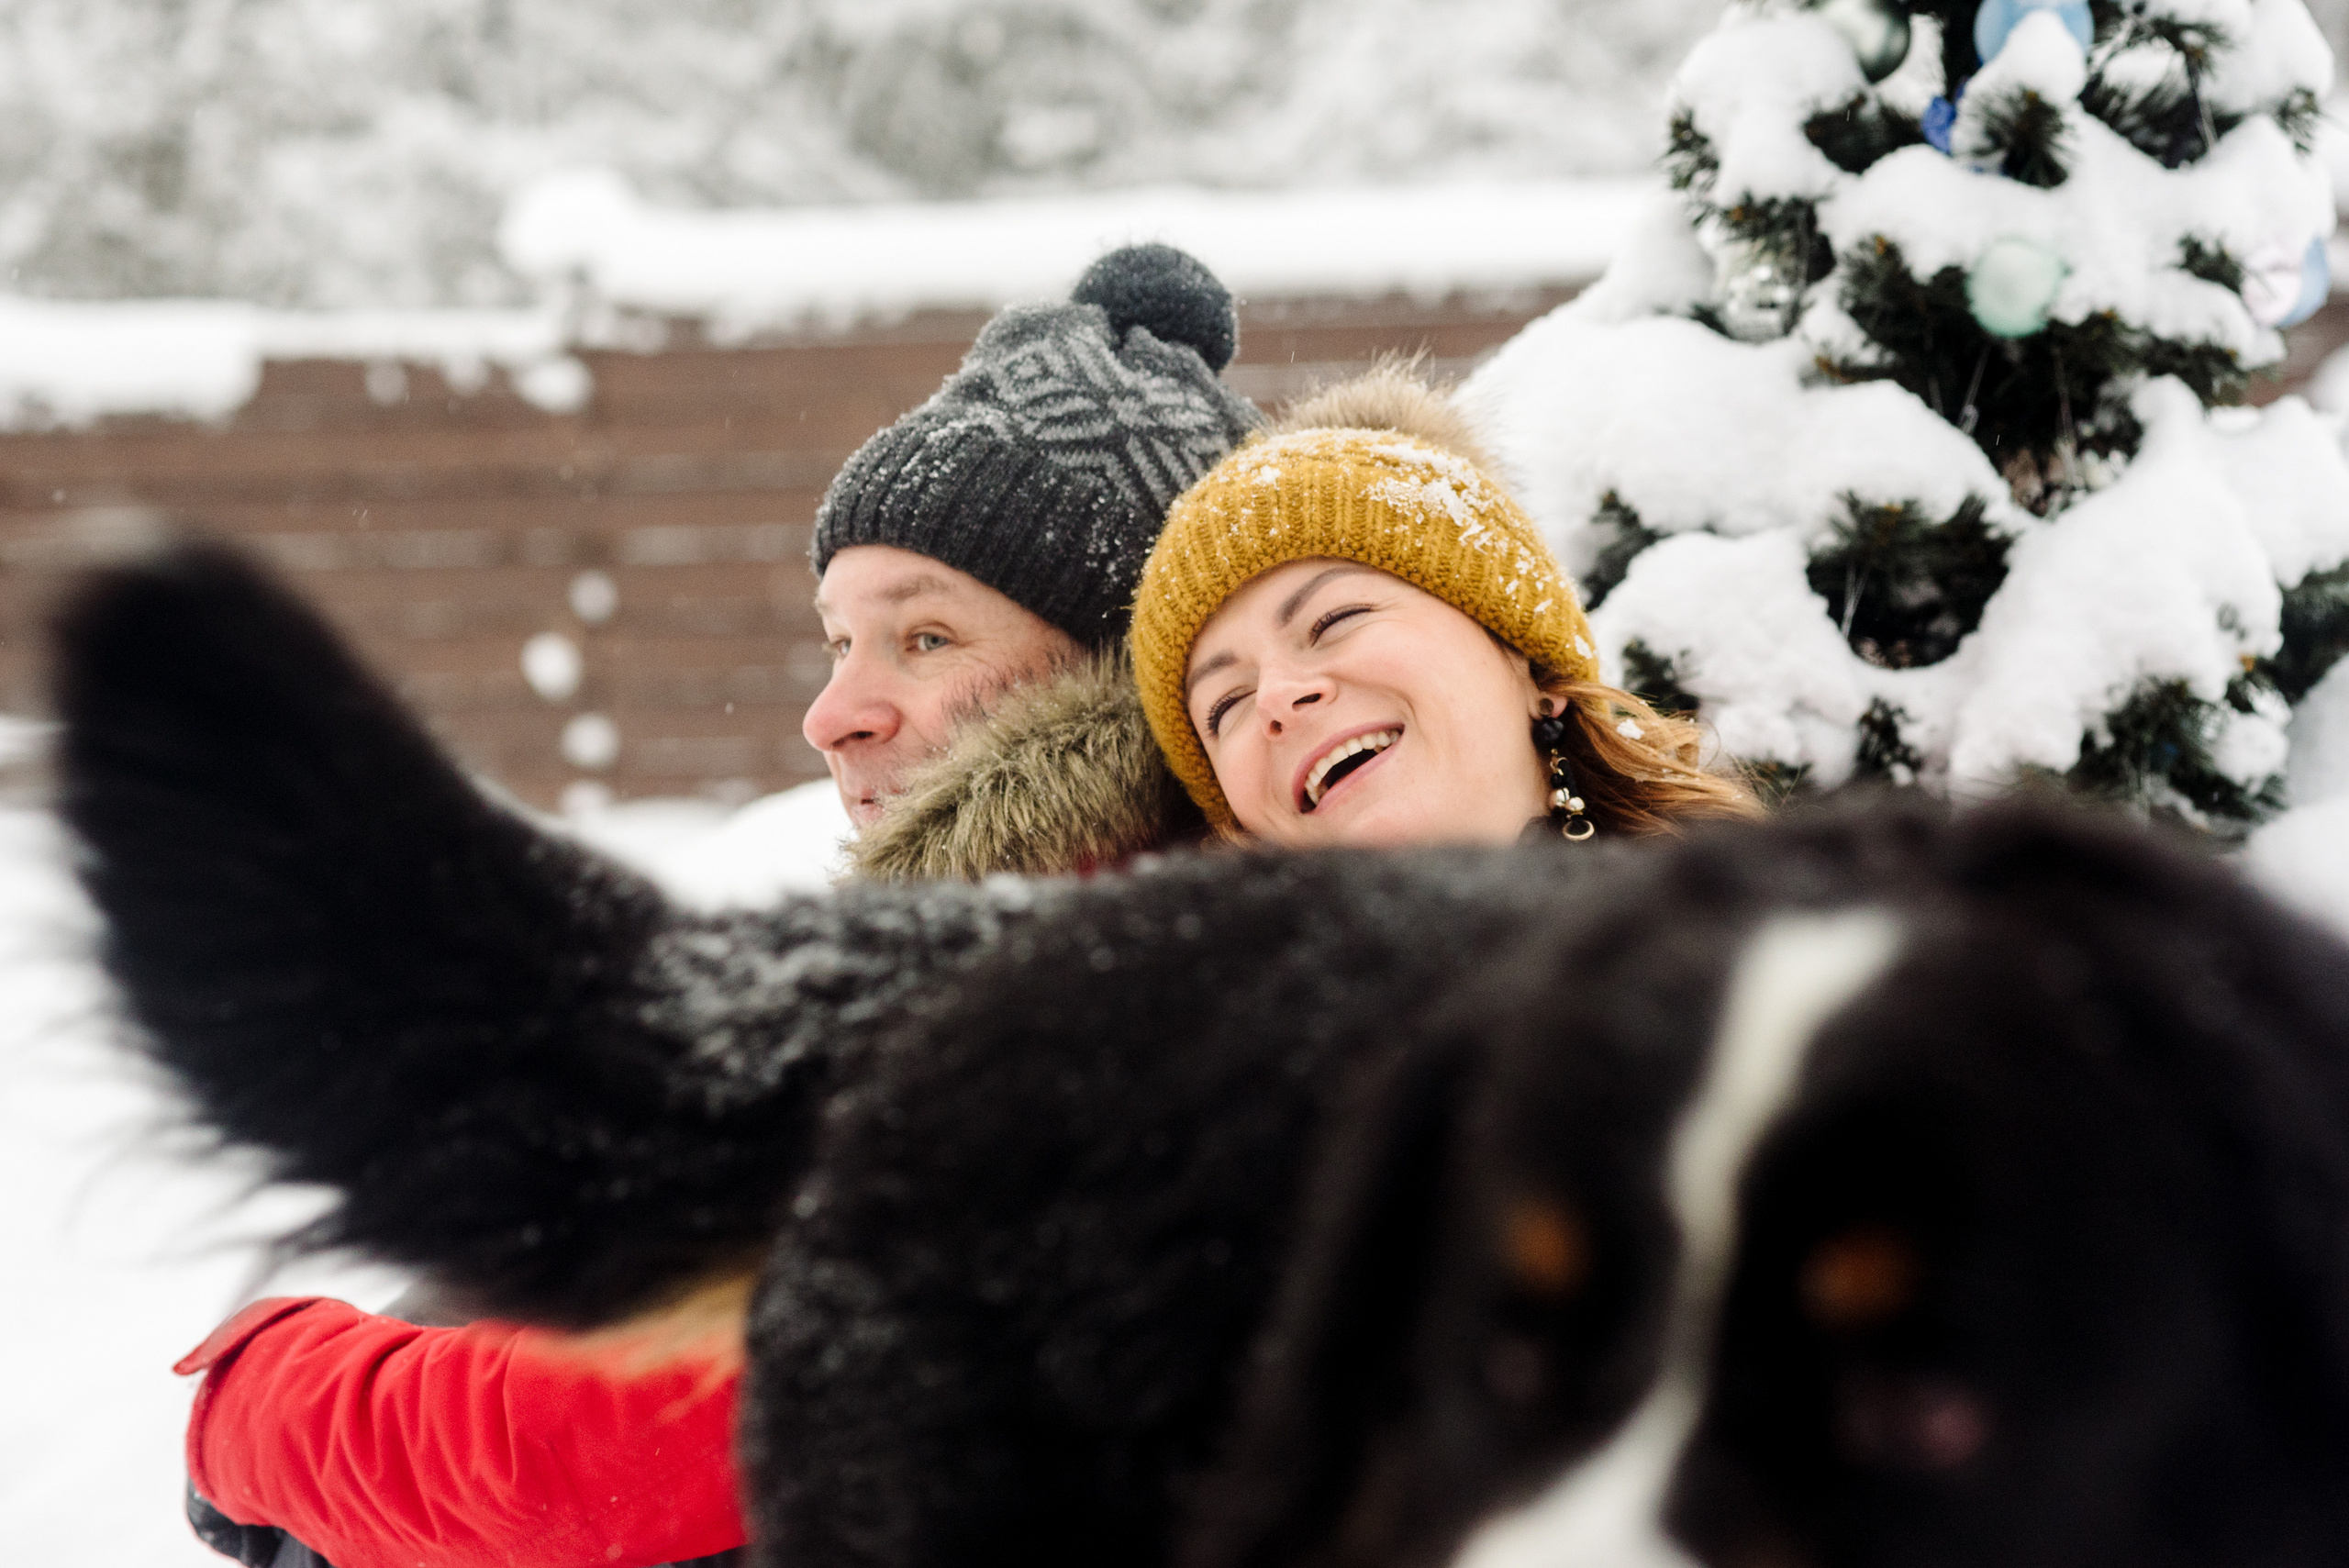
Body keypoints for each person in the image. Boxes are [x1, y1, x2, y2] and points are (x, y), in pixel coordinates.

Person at [176, 241, 1262, 1568]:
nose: (831, 713)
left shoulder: (1104, 1000)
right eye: (837, 640)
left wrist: (270, 1397)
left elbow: (614, 1452)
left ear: (1115, 676)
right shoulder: (1040, 953)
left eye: (926, 639)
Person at [1129, 362, 1757, 847]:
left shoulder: (1767, 941)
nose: (1274, 697)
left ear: (1527, 660)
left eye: (1334, 620)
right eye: (1224, 706)